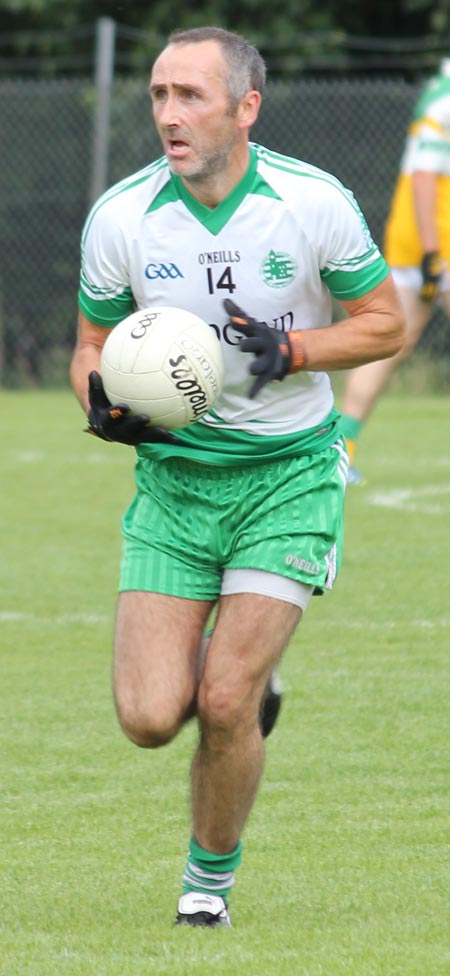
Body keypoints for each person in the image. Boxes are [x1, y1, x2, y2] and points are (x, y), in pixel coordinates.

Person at [70, 26, 405, 928]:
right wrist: (98, 403)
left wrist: (294, 348)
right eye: (158, 96)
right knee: (148, 717)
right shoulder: (124, 217)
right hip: (175, 491)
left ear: (245, 107)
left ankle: (206, 889)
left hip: (287, 476)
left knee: (223, 701)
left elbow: (384, 323)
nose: (169, 116)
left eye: (191, 97)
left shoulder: (310, 203)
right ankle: (252, 686)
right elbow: (92, 347)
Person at [341, 58, 450, 485]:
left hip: (419, 240)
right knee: (390, 342)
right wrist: (431, 255)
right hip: (434, 240)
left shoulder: (437, 92)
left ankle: (341, 451)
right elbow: (424, 177)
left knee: (393, 344)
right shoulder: (445, 103)